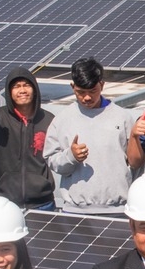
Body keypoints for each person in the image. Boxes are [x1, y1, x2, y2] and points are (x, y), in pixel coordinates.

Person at [43, 58, 131, 215]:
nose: (87, 97)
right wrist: (71, 156)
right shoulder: (62, 119)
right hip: (75, 211)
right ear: (72, 87)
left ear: (102, 85)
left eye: (92, 91)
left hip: (118, 209)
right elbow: (51, 160)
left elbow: (135, 161)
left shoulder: (122, 117)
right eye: (81, 92)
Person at [0, 69, 55, 211]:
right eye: (16, 86)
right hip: (6, 203)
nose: (22, 90)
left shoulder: (48, 119)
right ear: (9, 92)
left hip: (43, 203)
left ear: (35, 89)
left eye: (27, 85)